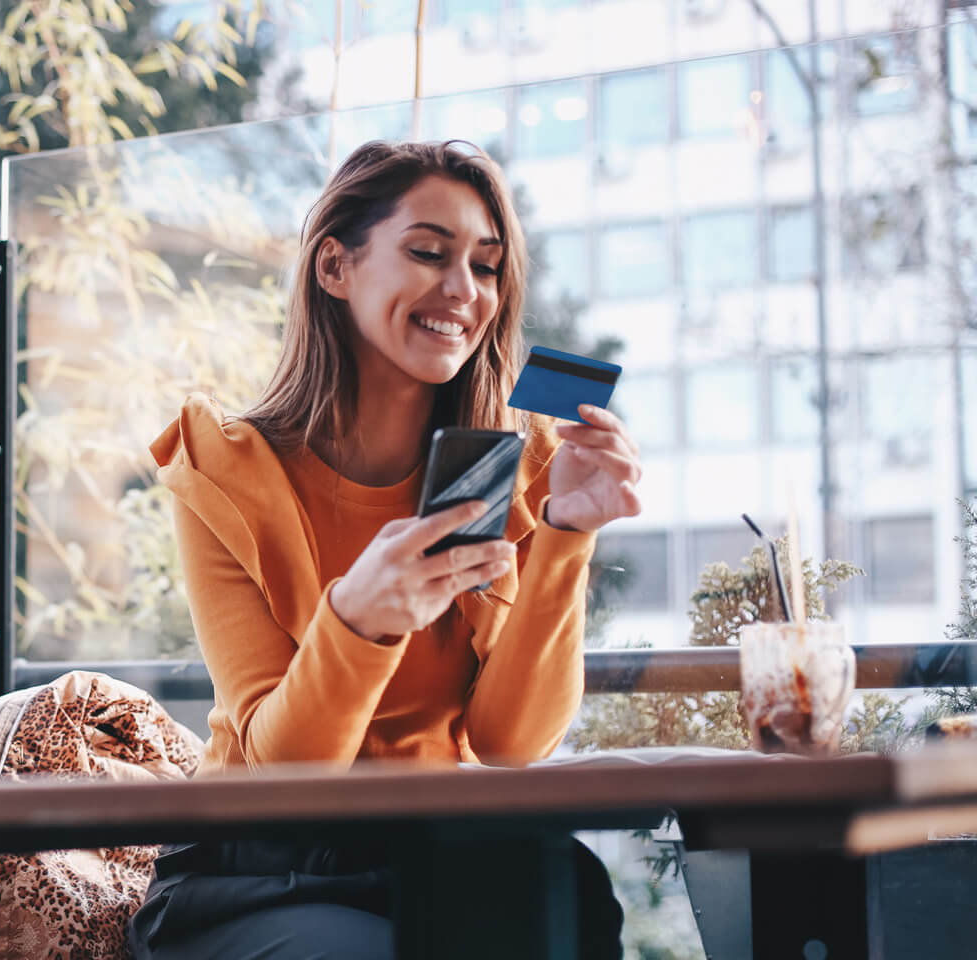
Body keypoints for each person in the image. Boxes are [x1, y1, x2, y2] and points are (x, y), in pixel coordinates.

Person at [129, 140, 643, 959]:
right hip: (254, 867)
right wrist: (357, 621)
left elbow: (512, 743)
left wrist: (566, 534)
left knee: (567, 906)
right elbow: (282, 775)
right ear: (335, 266)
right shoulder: (227, 467)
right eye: (428, 254)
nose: (462, 292)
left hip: (430, 854)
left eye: (486, 267)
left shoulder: (517, 461)